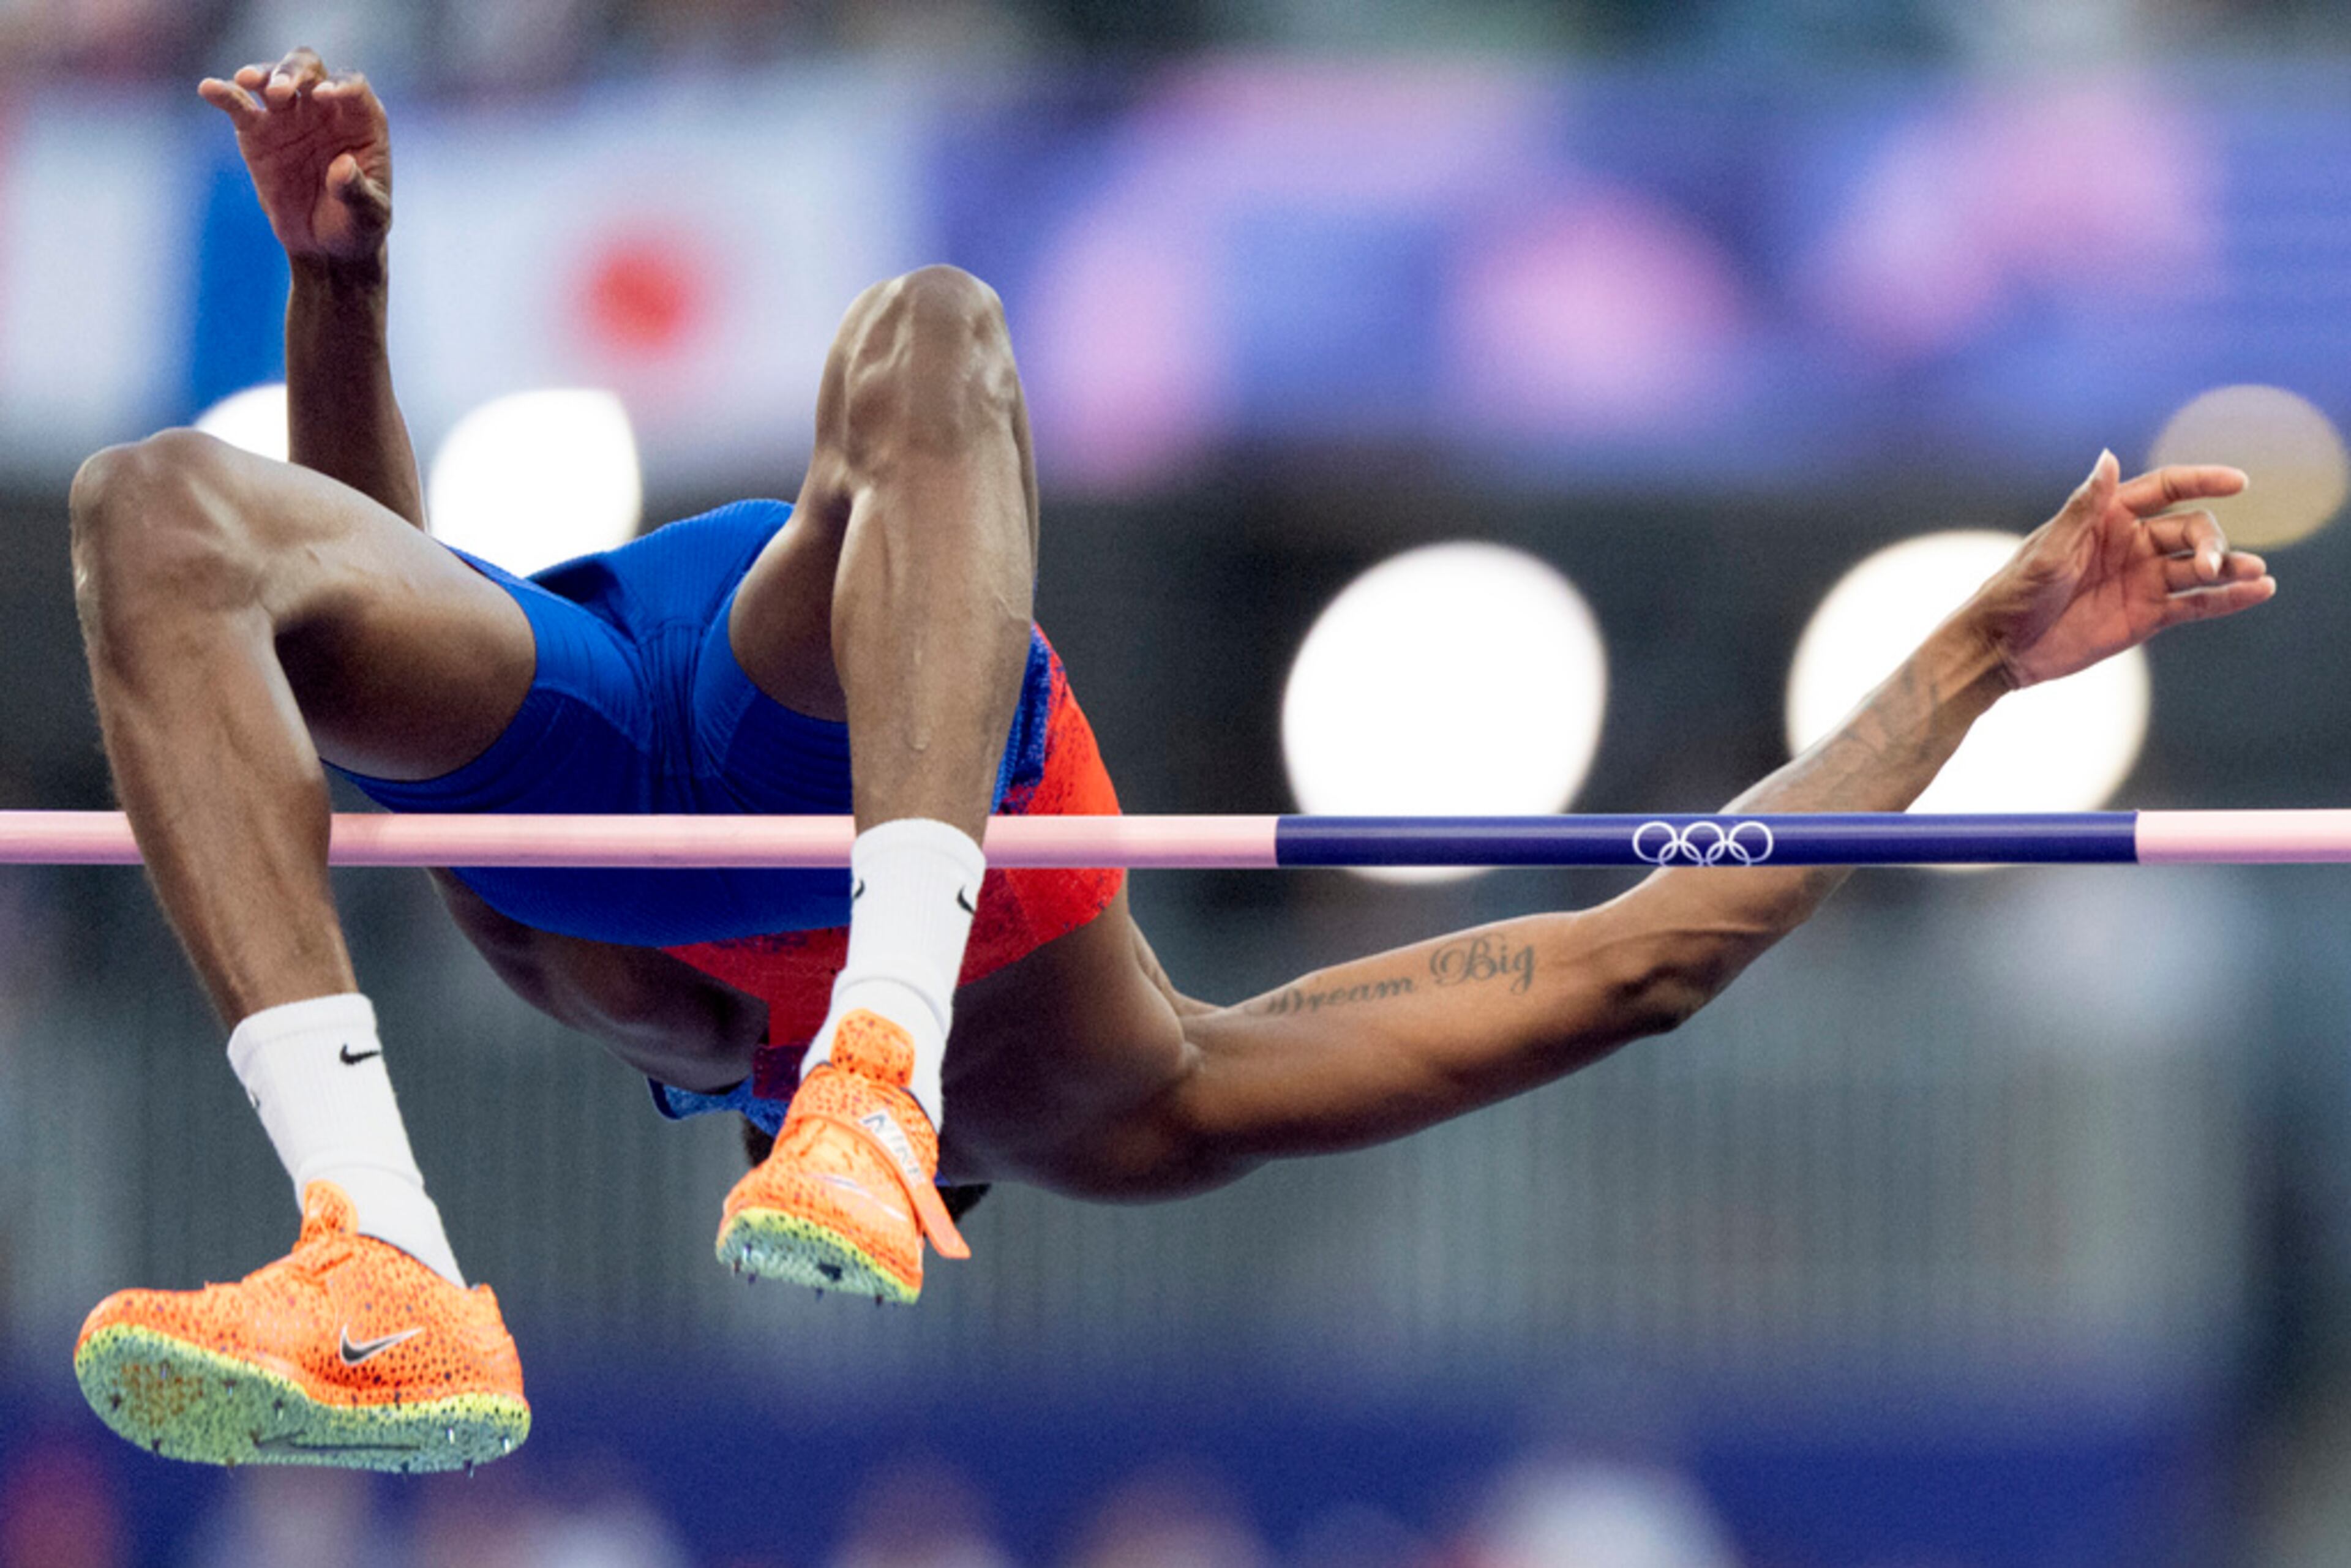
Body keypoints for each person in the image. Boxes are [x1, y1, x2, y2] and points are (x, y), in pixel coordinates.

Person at [62, 49, 2277, 1474]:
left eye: (872, 1136)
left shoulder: (589, 969)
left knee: (159, 513)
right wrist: (1979, 650)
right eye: (911, 1160)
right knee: (935, 334)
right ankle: (728, 1116)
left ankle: (373, 1241)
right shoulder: (1111, 1083)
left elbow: (354, 624)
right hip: (800, 704)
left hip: (634, 716)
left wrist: (335, 299)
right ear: (960, 1180)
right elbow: (1639, 960)